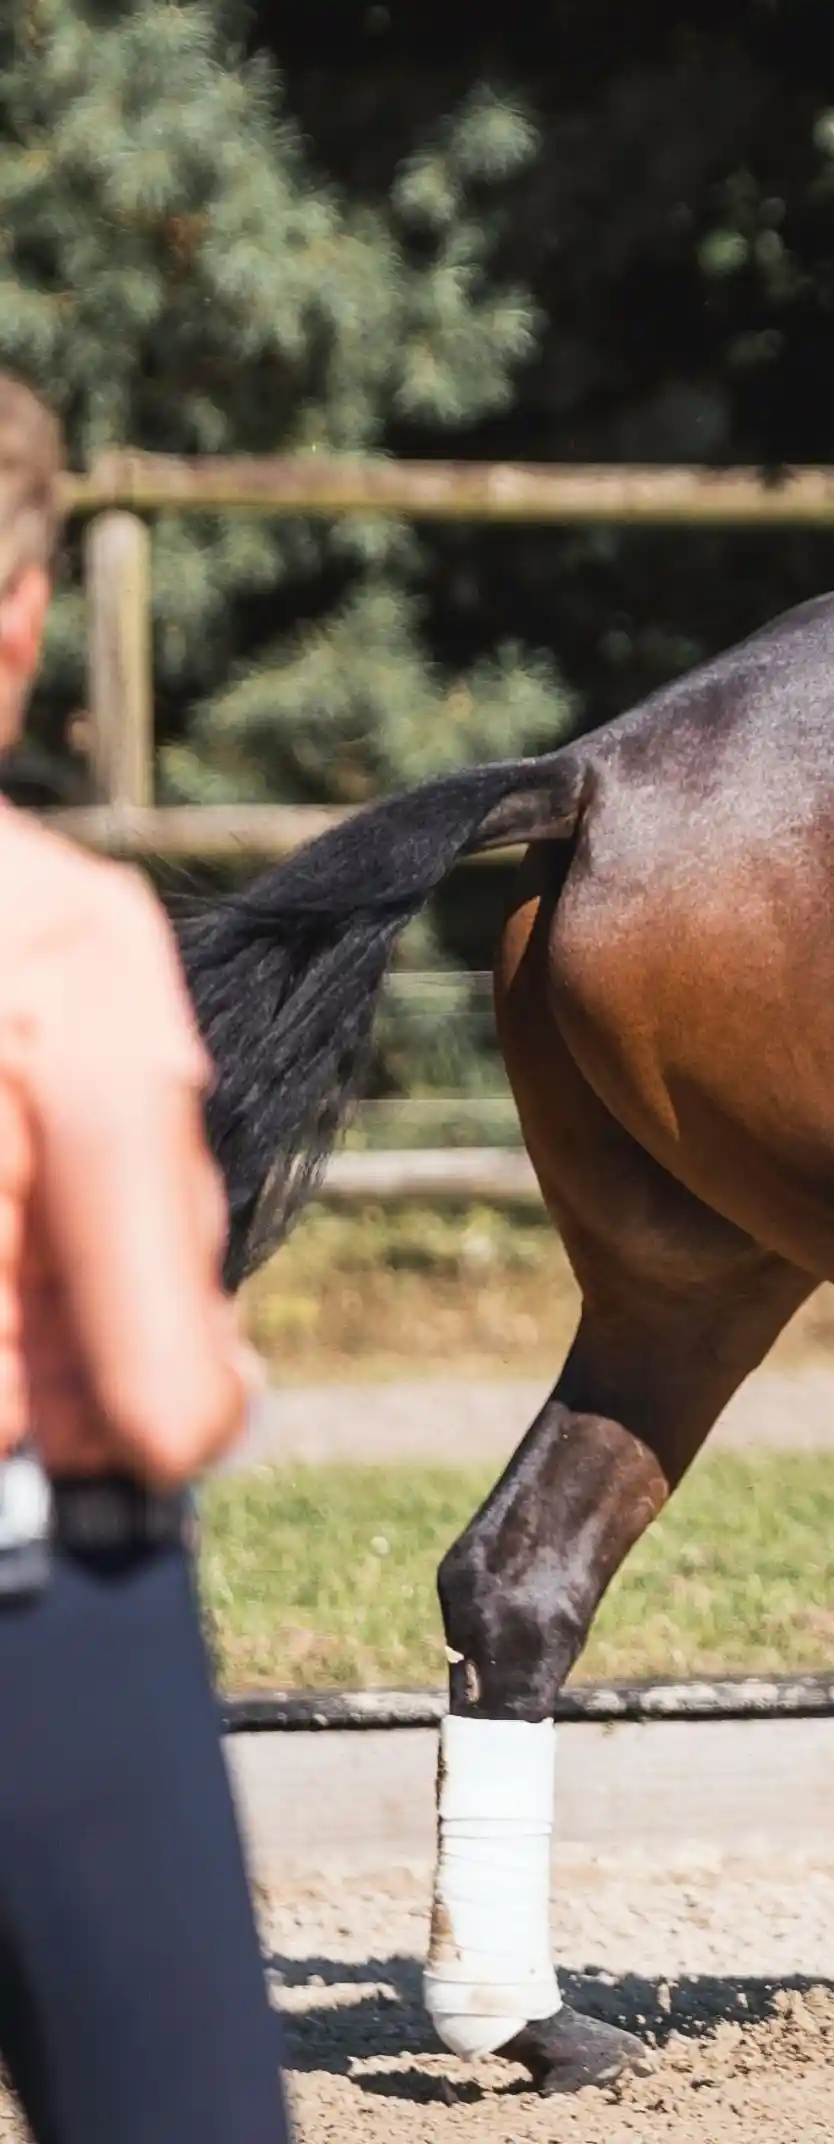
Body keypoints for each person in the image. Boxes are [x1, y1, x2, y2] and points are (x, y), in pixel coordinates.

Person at [0, 376, 290, 2144]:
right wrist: (238, 1364)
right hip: (47, 1634)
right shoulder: (62, 929)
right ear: (21, 619)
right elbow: (161, 1396)